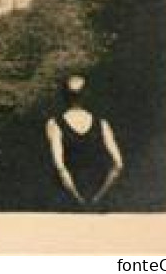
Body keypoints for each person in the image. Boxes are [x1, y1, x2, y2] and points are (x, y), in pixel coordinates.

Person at [45, 74, 124, 209]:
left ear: (64, 96)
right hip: (98, 195)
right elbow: (118, 165)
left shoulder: (54, 124)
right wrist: (99, 197)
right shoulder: (102, 124)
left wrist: (78, 199)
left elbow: (60, 167)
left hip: (66, 197)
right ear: (86, 95)